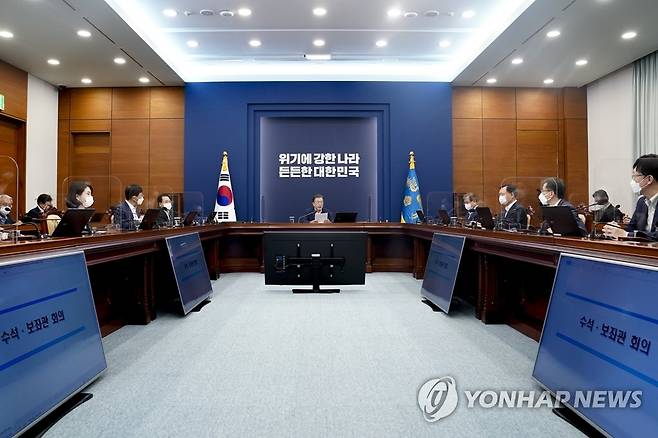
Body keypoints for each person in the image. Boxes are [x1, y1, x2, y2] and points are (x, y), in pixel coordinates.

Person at [603, 154, 658, 241]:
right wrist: (615, 230)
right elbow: (631, 228)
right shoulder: (641, 202)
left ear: (649, 179)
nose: (633, 181)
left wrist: (627, 235)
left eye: (635, 176)